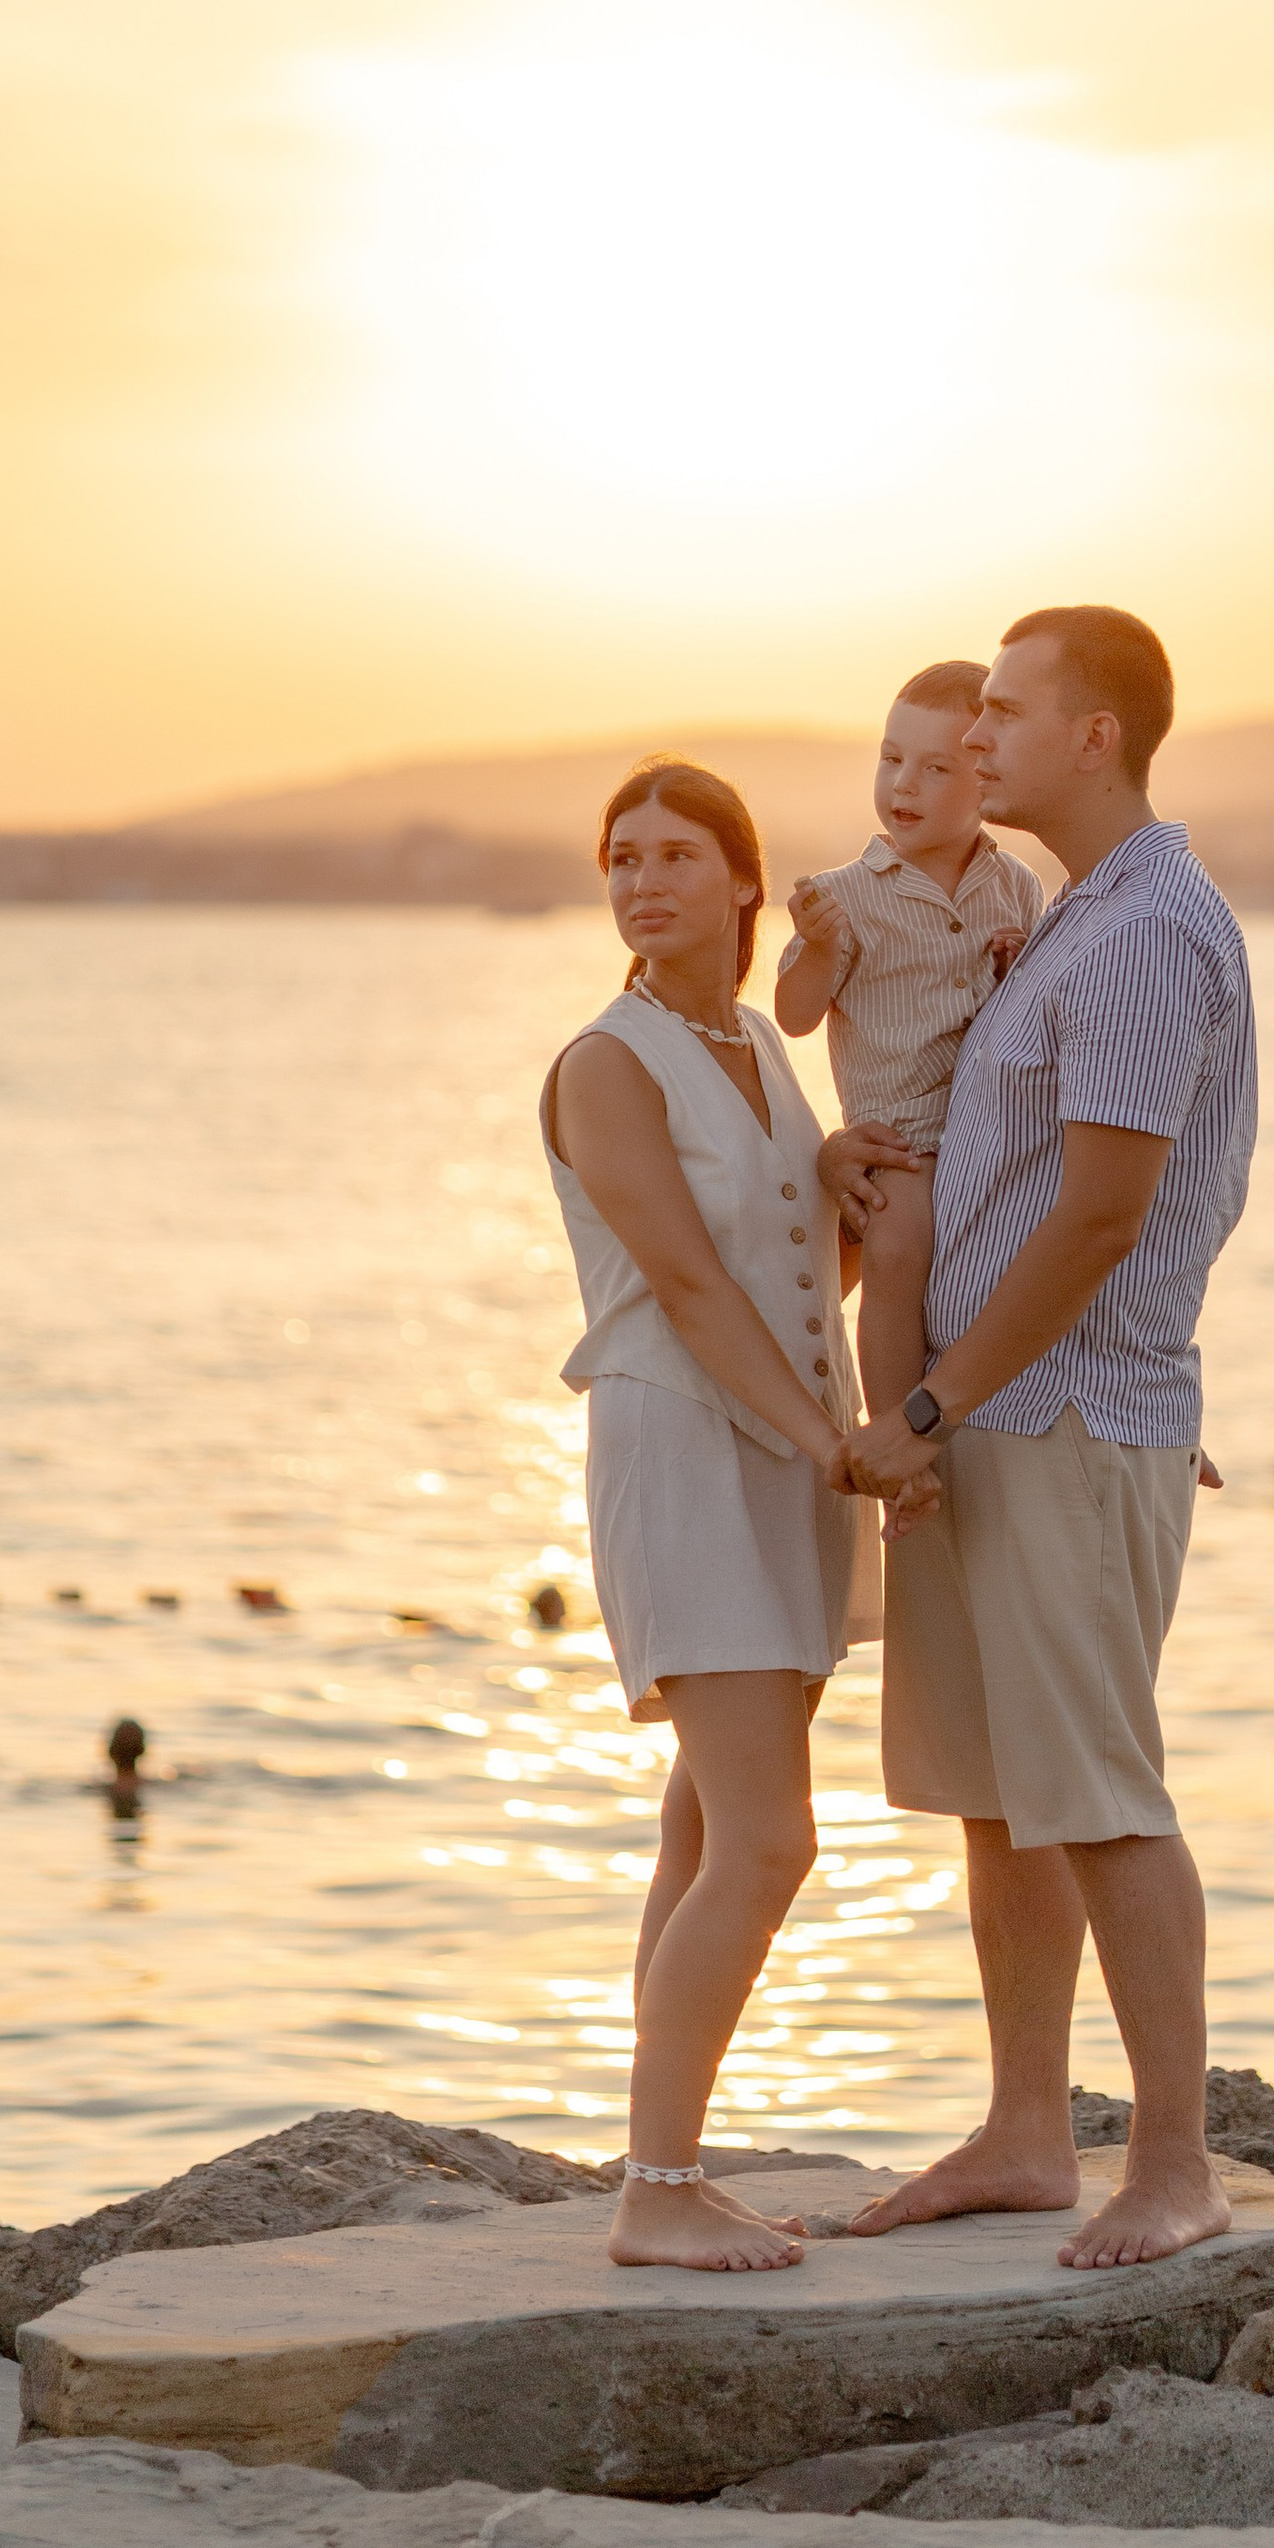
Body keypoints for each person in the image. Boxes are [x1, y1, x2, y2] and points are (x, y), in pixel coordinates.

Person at [840, 607, 1257, 2271]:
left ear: (1096, 736)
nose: (974, 736)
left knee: (1098, 1793)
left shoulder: (1147, 930)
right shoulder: (1069, 915)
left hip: (1062, 1415)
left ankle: (1174, 2164)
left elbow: (1103, 1215)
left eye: (1006, 711)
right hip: (996, 1415)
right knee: (1003, 1799)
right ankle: (1026, 2132)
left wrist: (927, 1405)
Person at [542, 758, 912, 2272]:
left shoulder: (757, 1042)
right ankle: (656, 2188)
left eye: (676, 854)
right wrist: (833, 1445)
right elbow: (687, 1287)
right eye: (623, 857)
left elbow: (783, 1274)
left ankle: (662, 2165)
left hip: (779, 1451)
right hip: (690, 1450)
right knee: (768, 1842)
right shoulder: (606, 1063)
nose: (642, 880)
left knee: (704, 1826)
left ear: (744, 880)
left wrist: (838, 1191)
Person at [774, 658, 1044, 1426]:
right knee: (895, 1254)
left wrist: (1015, 967)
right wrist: (819, 949)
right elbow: (794, 1013)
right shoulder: (844, 896)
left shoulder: (1017, 885)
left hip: (995, 1126)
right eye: (892, 759)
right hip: (902, 1139)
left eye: (935, 768)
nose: (904, 785)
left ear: (986, 777)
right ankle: (894, 1427)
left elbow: (1034, 1015)